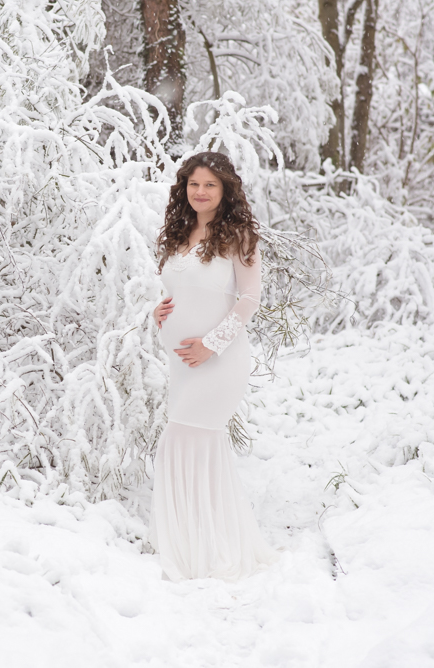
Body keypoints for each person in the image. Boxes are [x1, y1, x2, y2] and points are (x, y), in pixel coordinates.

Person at [150, 151, 277, 582]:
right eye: (193, 184)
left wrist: (210, 344)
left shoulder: (239, 236)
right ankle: (195, 541)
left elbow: (249, 300)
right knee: (187, 445)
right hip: (183, 364)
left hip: (219, 360)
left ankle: (208, 549)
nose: (200, 192)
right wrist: (159, 313)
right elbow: (180, 288)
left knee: (186, 441)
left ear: (225, 190)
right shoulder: (180, 231)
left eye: (210, 185)